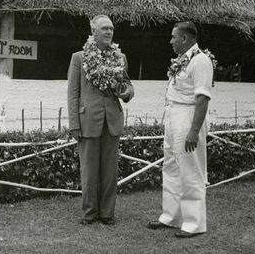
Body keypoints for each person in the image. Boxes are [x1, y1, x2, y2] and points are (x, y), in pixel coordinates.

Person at [147, 21, 213, 238]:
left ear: (185, 38)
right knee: (171, 167)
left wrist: (193, 131)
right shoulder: (182, 60)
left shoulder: (200, 61)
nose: (171, 41)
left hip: (188, 117)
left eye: (174, 37)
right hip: (173, 116)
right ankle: (171, 216)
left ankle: (194, 223)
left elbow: (202, 99)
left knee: (191, 169)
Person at [67, 15, 134, 225]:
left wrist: (124, 92)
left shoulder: (120, 58)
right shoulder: (79, 58)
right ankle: (89, 214)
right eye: (104, 29)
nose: (109, 32)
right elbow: (73, 94)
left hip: (112, 121)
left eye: (112, 29)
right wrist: (74, 124)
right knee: (89, 171)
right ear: (93, 32)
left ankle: (107, 213)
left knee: (110, 171)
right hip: (88, 121)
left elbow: (129, 88)